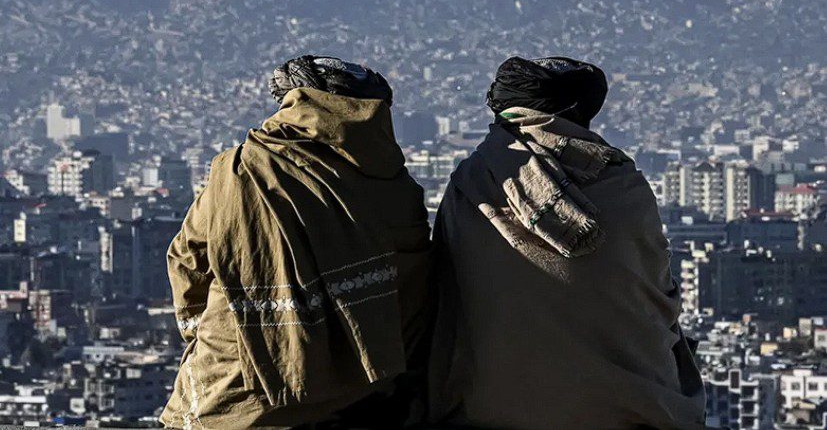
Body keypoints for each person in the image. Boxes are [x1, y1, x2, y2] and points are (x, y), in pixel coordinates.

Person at [428, 56, 706, 429]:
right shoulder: (620, 185)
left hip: (489, 404)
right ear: (576, 113)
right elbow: (657, 296)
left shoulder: (471, 184)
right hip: (623, 408)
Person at [160, 56, 433, 429]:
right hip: (368, 391)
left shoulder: (244, 171)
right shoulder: (396, 187)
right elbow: (415, 285)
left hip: (239, 394)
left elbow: (187, 261)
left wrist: (210, 336)